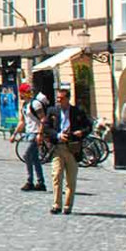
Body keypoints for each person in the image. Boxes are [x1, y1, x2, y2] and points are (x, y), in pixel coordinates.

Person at [46, 87, 93, 215]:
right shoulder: (52, 111)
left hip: (72, 148)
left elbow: (89, 126)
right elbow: (46, 128)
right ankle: (56, 205)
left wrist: (81, 132)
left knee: (70, 179)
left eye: (61, 98)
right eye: (57, 98)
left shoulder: (77, 111)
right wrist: (57, 135)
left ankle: (68, 206)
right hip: (58, 147)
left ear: (67, 99)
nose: (58, 101)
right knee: (56, 175)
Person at [20, 91, 48, 192]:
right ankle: (41, 182)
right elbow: (22, 121)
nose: (21, 95)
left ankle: (29, 181)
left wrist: (40, 133)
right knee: (35, 158)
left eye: (22, 92)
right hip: (28, 133)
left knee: (26, 155)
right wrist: (15, 134)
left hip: (35, 133)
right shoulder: (24, 105)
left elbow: (43, 118)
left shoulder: (35, 104)